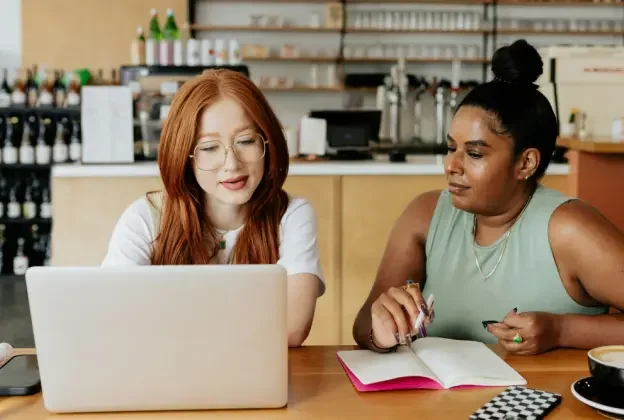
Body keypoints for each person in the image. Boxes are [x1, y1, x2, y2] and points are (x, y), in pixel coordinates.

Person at [352, 39, 624, 355]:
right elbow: (362, 327)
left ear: (525, 163)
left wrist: (561, 330)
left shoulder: (569, 229)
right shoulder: (425, 216)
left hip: (541, 402)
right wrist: (383, 332)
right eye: (451, 148)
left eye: (475, 153)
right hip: (439, 404)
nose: (451, 165)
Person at [102, 69, 324, 347]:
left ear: (267, 142)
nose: (232, 163)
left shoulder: (292, 215)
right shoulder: (145, 217)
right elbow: (115, 317)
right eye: (209, 148)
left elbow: (292, 328)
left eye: (245, 141)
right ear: (185, 157)